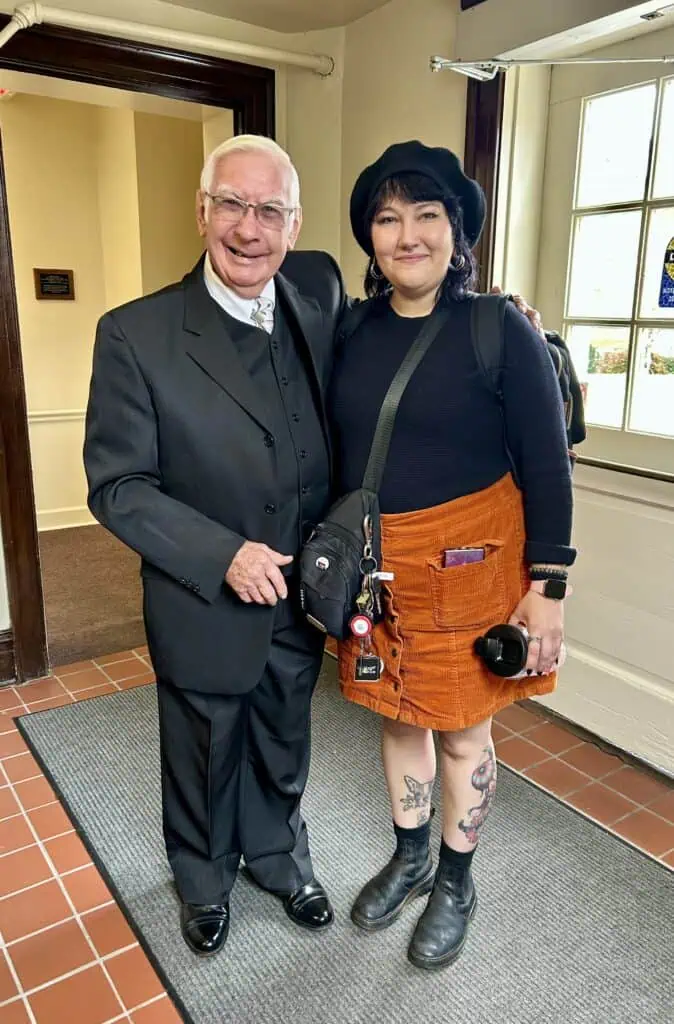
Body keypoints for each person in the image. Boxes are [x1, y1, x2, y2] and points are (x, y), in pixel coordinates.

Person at [84, 135, 345, 956]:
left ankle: (277, 854)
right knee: (203, 747)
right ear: (202, 212)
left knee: (282, 736)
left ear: (293, 226)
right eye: (232, 203)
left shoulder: (317, 316)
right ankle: (202, 876)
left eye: (269, 210)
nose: (249, 227)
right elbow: (118, 485)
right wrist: (223, 554)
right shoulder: (136, 333)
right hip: (205, 596)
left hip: (300, 595)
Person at [329, 140, 575, 970]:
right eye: (388, 218)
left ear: (456, 232)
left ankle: (457, 879)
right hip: (381, 571)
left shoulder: (496, 327)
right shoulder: (350, 331)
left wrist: (549, 586)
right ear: (369, 237)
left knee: (463, 734)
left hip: (474, 568)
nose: (408, 235)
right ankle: (410, 856)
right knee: (397, 716)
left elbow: (547, 465)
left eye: (427, 215)